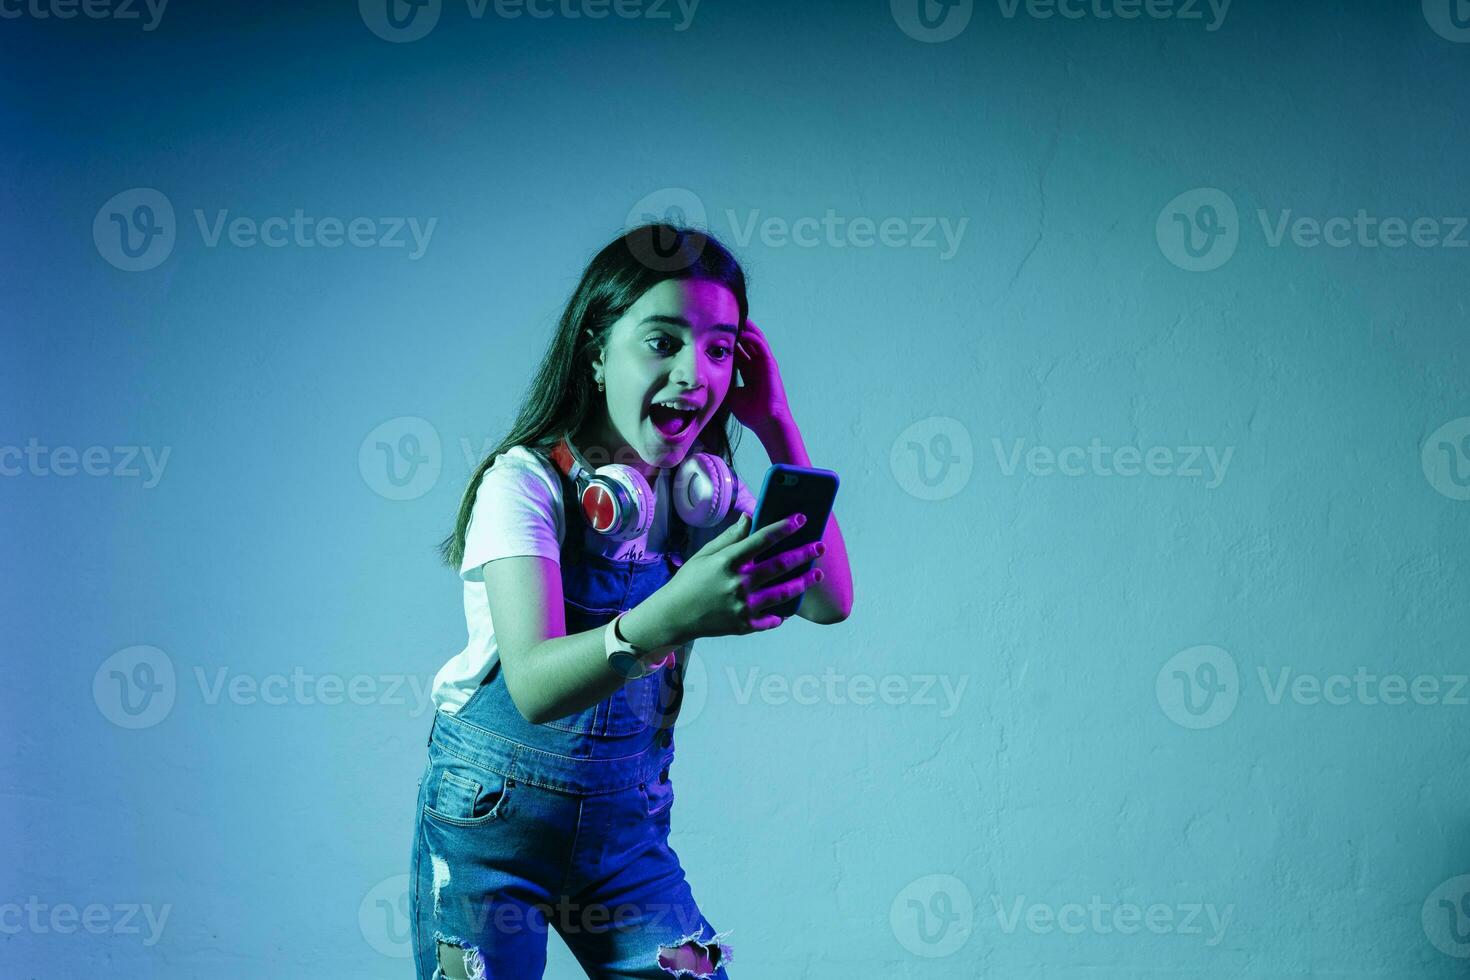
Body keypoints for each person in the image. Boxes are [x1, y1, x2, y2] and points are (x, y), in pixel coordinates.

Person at [409, 223, 854, 979]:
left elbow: (829, 599)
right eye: (663, 341)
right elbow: (535, 685)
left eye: (720, 348)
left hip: (624, 832)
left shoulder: (699, 491)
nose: (696, 373)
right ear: (595, 347)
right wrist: (675, 612)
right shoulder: (522, 483)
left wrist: (777, 423)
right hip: (490, 823)